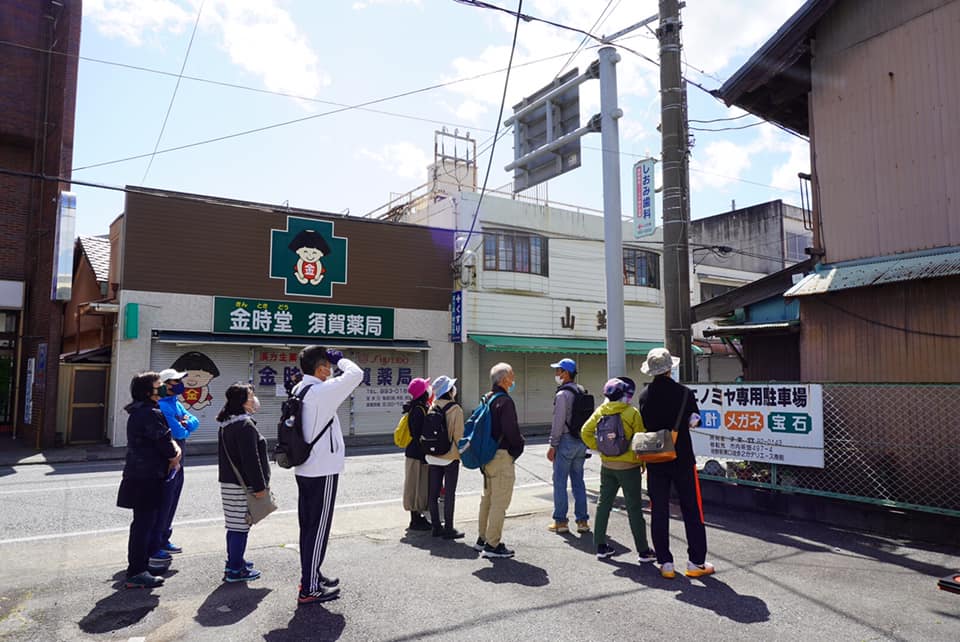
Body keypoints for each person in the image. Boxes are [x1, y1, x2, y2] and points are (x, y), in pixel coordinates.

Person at [293, 346, 363, 605]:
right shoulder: (322, 392)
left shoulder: (302, 389)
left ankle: (312, 575)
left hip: (306, 467)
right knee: (318, 529)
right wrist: (342, 359)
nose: (332, 370)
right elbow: (356, 374)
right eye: (329, 366)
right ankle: (310, 587)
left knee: (308, 528)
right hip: (323, 469)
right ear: (321, 368)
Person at [637, 347, 714, 579]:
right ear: (670, 368)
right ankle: (695, 563)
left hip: (655, 458)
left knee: (658, 509)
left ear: (651, 371)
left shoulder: (644, 395)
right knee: (692, 508)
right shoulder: (684, 393)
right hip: (681, 457)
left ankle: (666, 563)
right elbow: (694, 420)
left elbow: (646, 423)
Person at [580, 377, 657, 563]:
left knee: (603, 503)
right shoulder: (632, 413)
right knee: (634, 508)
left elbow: (585, 431)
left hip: (607, 465)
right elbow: (641, 440)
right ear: (624, 395)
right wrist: (642, 463)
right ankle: (643, 550)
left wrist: (600, 448)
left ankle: (600, 546)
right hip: (629, 467)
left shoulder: (600, 411)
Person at [116, 372, 181, 588]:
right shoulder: (150, 413)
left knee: (143, 524)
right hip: (148, 478)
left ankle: (139, 566)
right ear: (147, 391)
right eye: (159, 385)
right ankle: (137, 571)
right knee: (144, 525)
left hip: (139, 475)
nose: (163, 388)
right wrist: (176, 453)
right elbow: (167, 445)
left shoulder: (139, 412)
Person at [217, 382, 270, 583]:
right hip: (242, 485)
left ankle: (235, 561)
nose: (254, 398)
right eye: (250, 395)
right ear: (243, 401)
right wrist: (259, 487)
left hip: (229, 482)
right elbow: (251, 460)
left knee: (234, 525)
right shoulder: (244, 425)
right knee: (240, 526)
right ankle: (235, 569)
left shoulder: (228, 423)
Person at [149, 368, 199, 566]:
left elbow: (194, 423)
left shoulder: (175, 403)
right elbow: (179, 433)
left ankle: (164, 538)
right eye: (176, 381)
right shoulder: (162, 406)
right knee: (163, 502)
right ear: (165, 385)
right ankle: (156, 543)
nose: (180, 384)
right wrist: (184, 424)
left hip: (179, 461)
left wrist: (185, 423)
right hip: (168, 460)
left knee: (172, 502)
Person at [475, 362, 525, 559]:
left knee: (486, 499)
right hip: (502, 456)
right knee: (499, 503)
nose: (513, 380)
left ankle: (482, 538)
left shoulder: (487, 398)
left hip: (486, 457)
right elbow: (512, 432)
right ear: (504, 380)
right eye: (512, 376)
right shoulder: (505, 401)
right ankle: (492, 545)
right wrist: (517, 448)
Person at [546, 357, 589, 534]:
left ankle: (561, 521)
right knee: (578, 482)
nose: (556, 374)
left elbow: (558, 423)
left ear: (566, 373)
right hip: (581, 441)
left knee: (560, 482)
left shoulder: (562, 395)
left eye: (558, 371)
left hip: (565, 441)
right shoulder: (581, 391)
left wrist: (552, 445)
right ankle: (582, 521)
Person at [424, 375, 465, 540]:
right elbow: (459, 436)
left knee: (433, 493)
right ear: (449, 391)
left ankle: (436, 527)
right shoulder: (456, 409)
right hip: (449, 456)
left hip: (432, 456)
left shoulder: (432, 406)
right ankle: (448, 528)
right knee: (449, 493)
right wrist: (463, 453)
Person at [402, 377, 432, 531]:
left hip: (413, 452)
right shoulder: (419, 410)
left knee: (417, 485)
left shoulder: (416, 408)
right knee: (415, 486)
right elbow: (419, 434)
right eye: (427, 388)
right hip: (417, 453)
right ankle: (415, 519)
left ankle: (417, 517)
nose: (429, 389)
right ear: (423, 393)